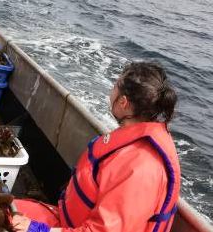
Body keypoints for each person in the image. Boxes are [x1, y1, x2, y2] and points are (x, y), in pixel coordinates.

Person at [12, 61, 181, 232]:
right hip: (70, 223)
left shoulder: (140, 168)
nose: (111, 91)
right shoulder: (132, 141)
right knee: (5, 210)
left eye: (115, 85)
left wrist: (38, 229)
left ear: (123, 102)